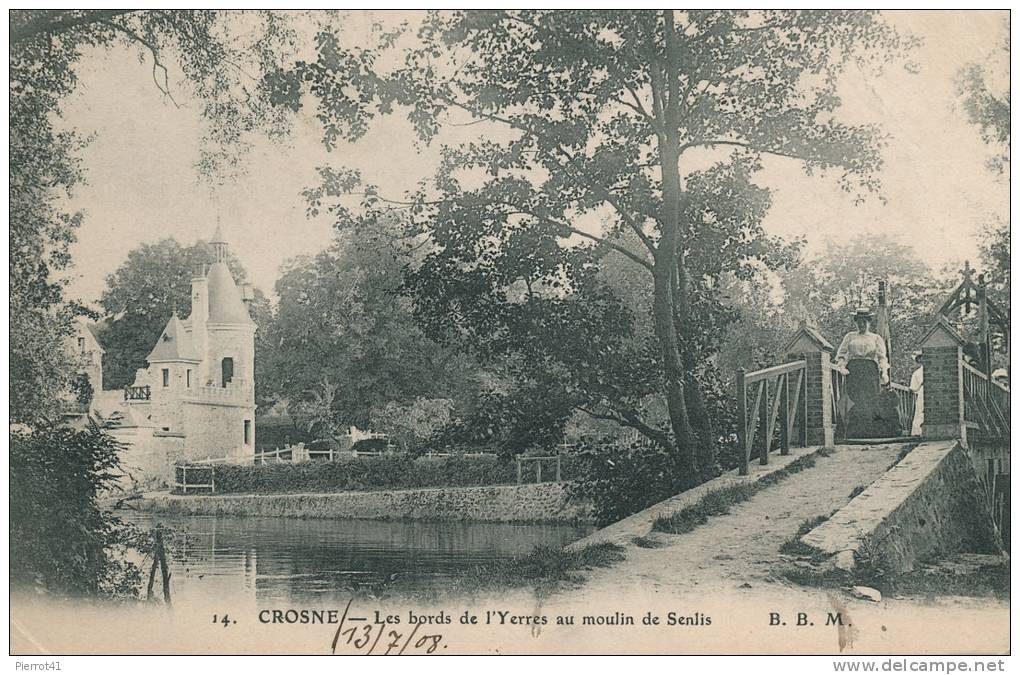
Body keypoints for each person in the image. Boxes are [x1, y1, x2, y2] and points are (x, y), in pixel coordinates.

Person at [835, 308, 890, 384]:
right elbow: (841, 355)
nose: (861, 325)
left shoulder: (876, 338)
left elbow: (882, 358)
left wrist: (884, 372)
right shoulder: (850, 336)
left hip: (870, 369)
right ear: (855, 323)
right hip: (853, 369)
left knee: (870, 394)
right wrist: (842, 368)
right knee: (854, 393)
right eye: (859, 322)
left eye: (864, 322)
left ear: (869, 322)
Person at [909, 351, 924, 437]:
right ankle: (917, 432)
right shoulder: (917, 373)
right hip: (921, 393)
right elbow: (913, 388)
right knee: (920, 411)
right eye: (920, 359)